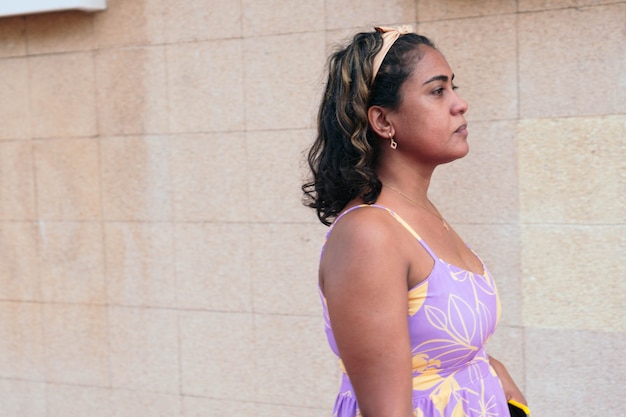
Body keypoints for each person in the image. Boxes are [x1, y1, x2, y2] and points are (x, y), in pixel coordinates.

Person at [302, 26, 528, 417]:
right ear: (383, 121)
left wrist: (495, 377)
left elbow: (438, 352)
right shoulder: (369, 235)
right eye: (437, 91)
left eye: (453, 87)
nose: (461, 104)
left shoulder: (420, 215)